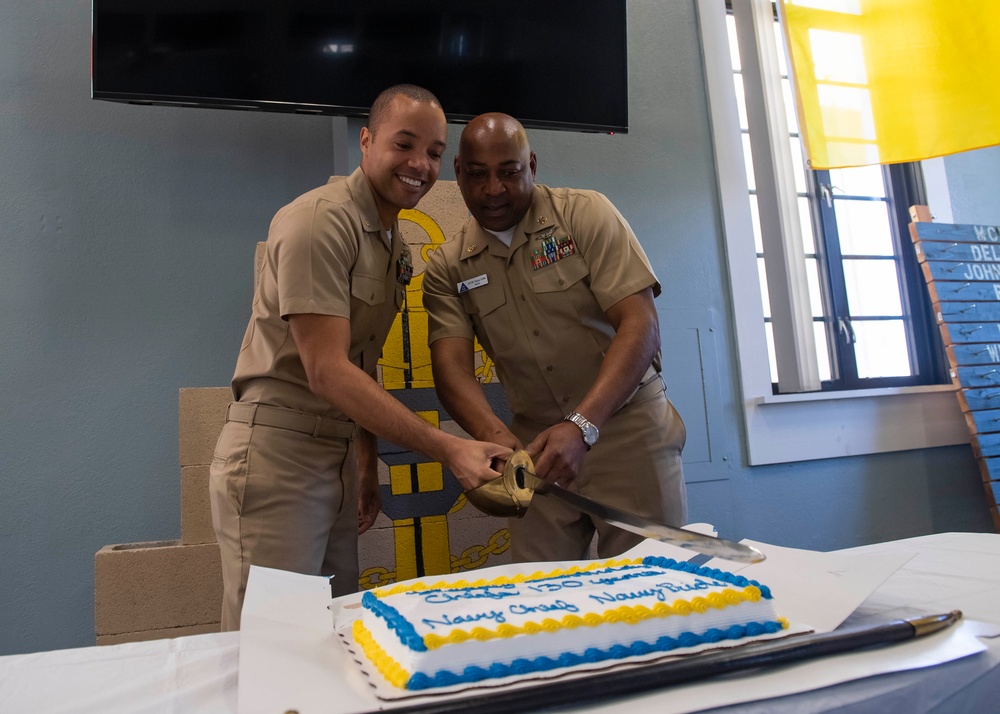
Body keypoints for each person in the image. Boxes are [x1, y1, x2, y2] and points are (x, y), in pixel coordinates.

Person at [209, 86, 511, 630]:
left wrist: (367, 463)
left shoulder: (392, 241)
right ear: (367, 142)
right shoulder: (320, 221)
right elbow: (326, 369)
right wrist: (449, 449)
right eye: (405, 144)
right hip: (279, 458)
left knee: (326, 635)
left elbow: (358, 364)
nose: (421, 164)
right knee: (273, 645)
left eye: (436, 153)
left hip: (335, 456)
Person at [423, 113, 688, 562]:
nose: (493, 190)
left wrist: (582, 425)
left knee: (655, 590)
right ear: (458, 173)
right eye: (478, 175)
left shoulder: (584, 214)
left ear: (532, 165)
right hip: (536, 450)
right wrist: (497, 439)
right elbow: (451, 369)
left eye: (509, 172)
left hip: (625, 430)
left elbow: (640, 324)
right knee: (541, 595)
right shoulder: (448, 267)